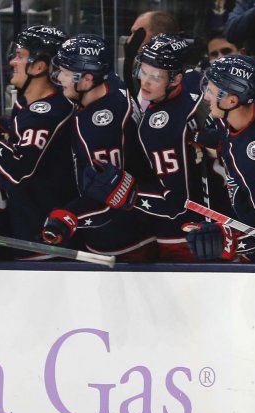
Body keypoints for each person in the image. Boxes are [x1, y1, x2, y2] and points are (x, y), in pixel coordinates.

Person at [44, 34, 157, 260]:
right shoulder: (110, 86)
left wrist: (67, 216)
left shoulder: (100, 126)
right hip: (134, 230)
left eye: (66, 73)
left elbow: (108, 195)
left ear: (86, 79)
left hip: (122, 244)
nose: (59, 79)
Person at [186, 55, 255, 262]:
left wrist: (232, 242)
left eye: (210, 91)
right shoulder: (253, 100)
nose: (206, 97)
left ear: (231, 100)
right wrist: (200, 138)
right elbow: (229, 136)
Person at [0, 25, 78, 258]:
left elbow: (17, 168)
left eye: (20, 56)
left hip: (40, 241)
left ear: (40, 66)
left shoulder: (47, 113)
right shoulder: (28, 102)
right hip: (22, 224)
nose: (13, 61)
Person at [128, 34, 207, 260]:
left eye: (156, 77)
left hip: (182, 238)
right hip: (213, 224)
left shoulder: (158, 127)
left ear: (175, 79)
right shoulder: (196, 81)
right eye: (143, 72)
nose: (145, 82)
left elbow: (176, 204)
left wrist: (128, 195)